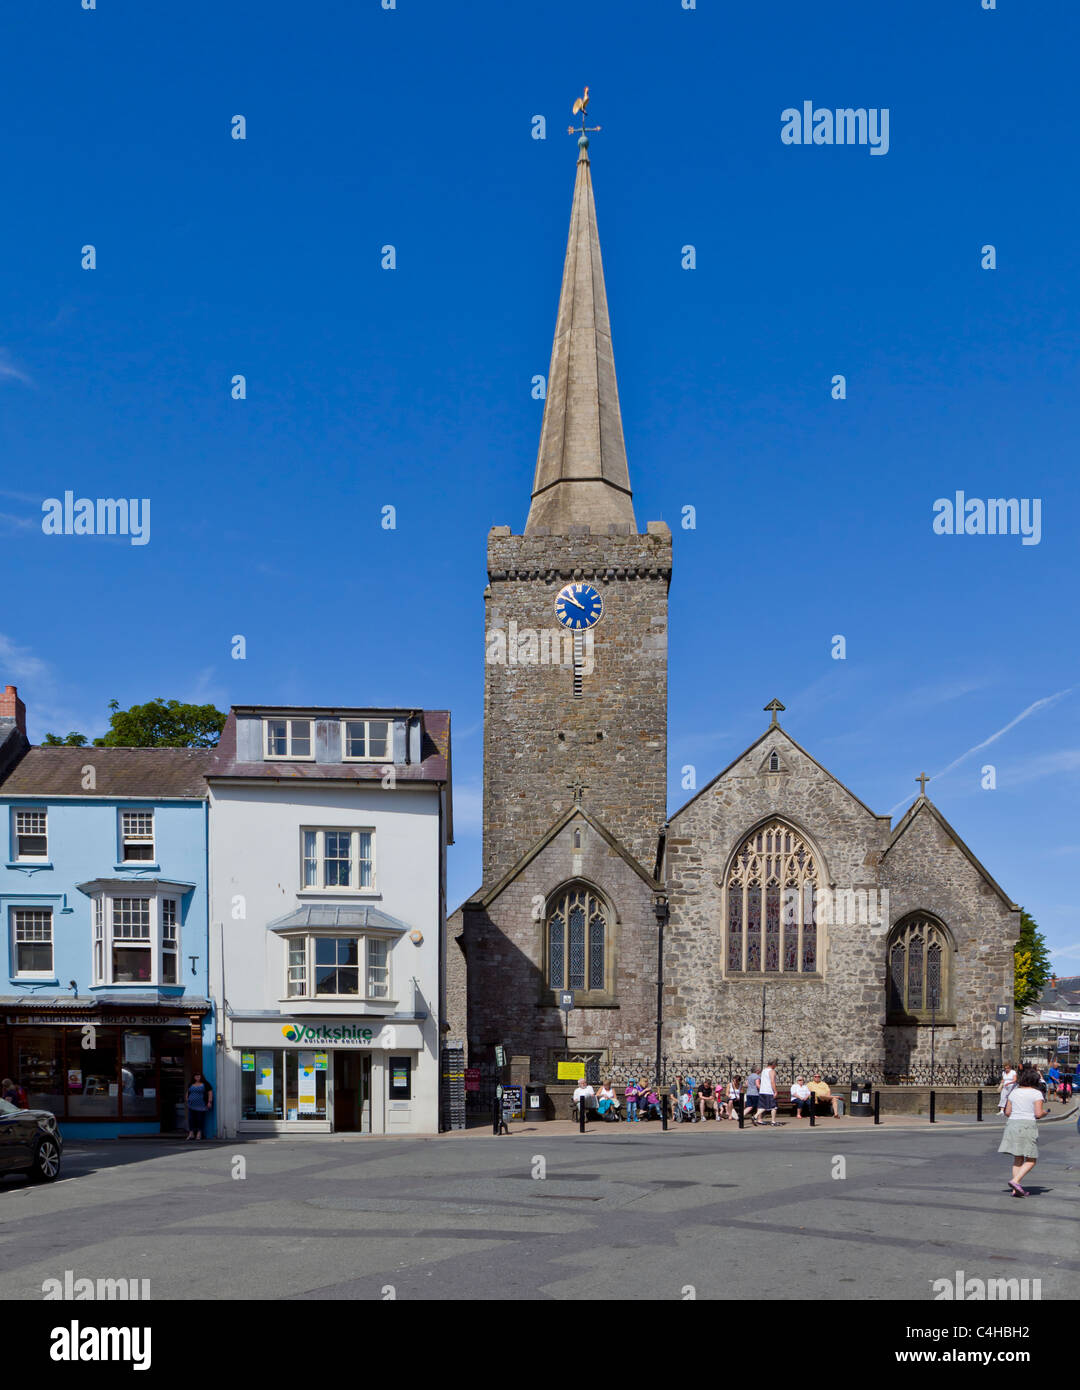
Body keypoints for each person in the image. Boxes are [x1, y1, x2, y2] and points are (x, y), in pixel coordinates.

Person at [998, 1065, 1045, 1196]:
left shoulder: (1014, 1092)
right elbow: (1038, 1114)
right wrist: (1045, 1113)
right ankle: (1015, 1181)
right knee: (1031, 1159)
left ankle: (1016, 1190)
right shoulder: (1036, 1093)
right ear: (1035, 1081)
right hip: (1027, 1125)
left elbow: (1007, 1112)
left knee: (1018, 1158)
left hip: (1012, 1124)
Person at [186, 1072, 213, 1140]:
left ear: (201, 1077)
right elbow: (188, 1092)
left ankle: (199, 1133)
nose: (197, 1077)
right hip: (191, 1105)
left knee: (200, 1119)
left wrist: (209, 1102)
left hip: (201, 1105)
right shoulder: (191, 1084)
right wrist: (187, 1100)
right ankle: (191, 1133)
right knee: (191, 1119)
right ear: (194, 1077)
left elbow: (210, 1093)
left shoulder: (205, 1084)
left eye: (198, 1076)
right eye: (196, 1076)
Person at [754, 1059, 779, 1126]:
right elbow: (772, 1081)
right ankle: (773, 1121)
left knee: (763, 1106)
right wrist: (775, 1091)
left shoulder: (764, 1071)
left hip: (762, 1091)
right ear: (773, 1065)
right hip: (769, 1091)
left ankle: (755, 1116)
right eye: (776, 1065)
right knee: (774, 1107)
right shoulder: (772, 1071)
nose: (776, 1066)